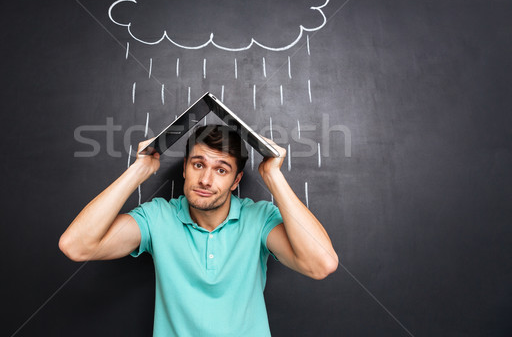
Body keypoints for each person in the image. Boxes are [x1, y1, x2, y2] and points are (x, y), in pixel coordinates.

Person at [59, 125, 338, 336]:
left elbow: (321, 264)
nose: (205, 179)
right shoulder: (158, 217)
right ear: (185, 168)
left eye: (221, 170)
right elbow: (76, 246)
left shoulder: (259, 218)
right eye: (199, 164)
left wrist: (273, 176)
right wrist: (139, 169)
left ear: (236, 179)